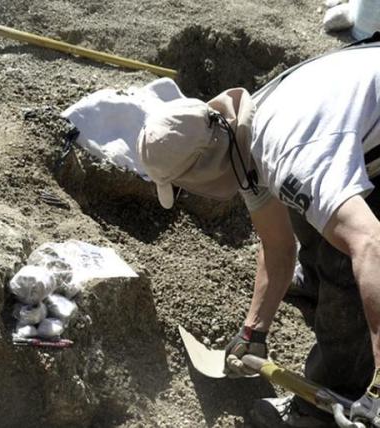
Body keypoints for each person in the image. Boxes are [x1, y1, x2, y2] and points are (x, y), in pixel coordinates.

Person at [137, 42, 380, 427]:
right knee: (312, 216)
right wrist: (253, 331)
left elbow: (370, 245)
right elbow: (278, 246)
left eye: (183, 187)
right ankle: (333, 309)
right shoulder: (239, 138)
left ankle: (323, 406)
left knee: (347, 263)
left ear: (200, 172)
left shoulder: (287, 154)